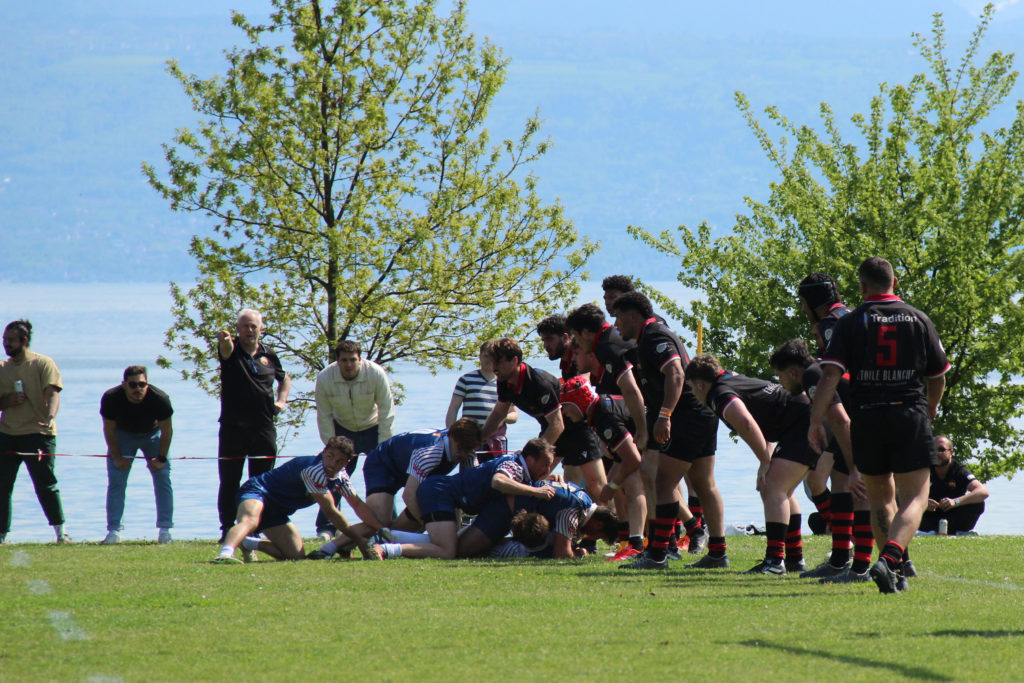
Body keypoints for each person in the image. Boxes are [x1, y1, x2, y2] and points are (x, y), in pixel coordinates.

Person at [809, 257, 950, 594]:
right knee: (916, 497)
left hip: (867, 417)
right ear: (895, 283)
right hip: (908, 413)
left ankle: (895, 574)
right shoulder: (918, 319)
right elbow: (938, 375)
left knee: (879, 500)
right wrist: (930, 407)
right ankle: (890, 559)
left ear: (862, 287)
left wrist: (815, 420)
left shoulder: (850, 322)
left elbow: (829, 375)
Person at [687, 353, 829, 575]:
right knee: (782, 489)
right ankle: (794, 559)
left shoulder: (719, 393)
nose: (694, 395)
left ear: (700, 384)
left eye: (692, 388)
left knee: (773, 487)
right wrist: (766, 458)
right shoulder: (730, 379)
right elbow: (767, 413)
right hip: (802, 419)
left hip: (803, 423)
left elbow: (746, 422)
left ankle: (774, 561)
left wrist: (764, 461)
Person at [613, 292, 718, 570]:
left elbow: (676, 372)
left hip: (687, 415)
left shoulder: (654, 336)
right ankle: (717, 553)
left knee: (663, 482)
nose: (616, 324)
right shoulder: (646, 338)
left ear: (633, 316)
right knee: (703, 484)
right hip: (700, 413)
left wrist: (664, 415)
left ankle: (659, 554)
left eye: (619, 317)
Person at [770, 339, 873, 583]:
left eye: (780, 377)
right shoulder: (819, 368)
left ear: (793, 372)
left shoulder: (812, 376)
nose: (781, 383)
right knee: (839, 487)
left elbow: (841, 420)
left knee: (860, 493)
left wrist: (854, 467)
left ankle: (863, 566)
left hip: (864, 426)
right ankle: (839, 561)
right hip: (856, 426)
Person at [374, 438, 557, 559]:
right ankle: (389, 548)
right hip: (440, 493)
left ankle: (391, 536)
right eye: (546, 465)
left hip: (445, 493)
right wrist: (536, 492)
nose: (548, 469)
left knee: (450, 543)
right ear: (530, 460)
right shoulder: (514, 466)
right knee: (447, 551)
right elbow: (498, 481)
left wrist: (548, 479)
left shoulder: (517, 463)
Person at [212, 436, 383, 563]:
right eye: (330, 456)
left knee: (295, 556)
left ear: (347, 463)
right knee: (250, 521)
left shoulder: (341, 477)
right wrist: (359, 540)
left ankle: (248, 543)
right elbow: (331, 512)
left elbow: (357, 503)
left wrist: (380, 529)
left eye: (339, 461)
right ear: (324, 452)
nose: (332, 464)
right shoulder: (314, 471)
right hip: (258, 491)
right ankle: (225, 554)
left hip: (277, 511)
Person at [215, 309, 290, 542]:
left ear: (260, 329)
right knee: (230, 481)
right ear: (238, 329)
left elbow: (284, 379)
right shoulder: (231, 350)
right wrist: (225, 340)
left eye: (253, 326)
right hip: (233, 430)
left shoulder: (269, 354)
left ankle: (256, 529)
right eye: (245, 326)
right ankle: (228, 528)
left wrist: (281, 401)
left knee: (261, 482)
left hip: (263, 428)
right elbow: (225, 350)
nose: (249, 330)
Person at [314, 339, 395, 539]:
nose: (349, 364)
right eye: (344, 360)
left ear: (360, 359)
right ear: (337, 361)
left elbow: (387, 410)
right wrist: (331, 447)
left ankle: (388, 525)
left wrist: (383, 444)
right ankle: (326, 528)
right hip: (343, 429)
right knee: (332, 474)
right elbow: (324, 415)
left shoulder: (376, 373)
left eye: (353, 360)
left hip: (373, 428)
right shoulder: (324, 378)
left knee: (382, 475)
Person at [558, 376, 647, 557]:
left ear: (578, 403)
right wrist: (611, 484)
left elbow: (633, 459)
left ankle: (637, 544)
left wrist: (612, 485)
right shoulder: (597, 412)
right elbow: (622, 458)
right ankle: (630, 541)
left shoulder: (604, 416)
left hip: (656, 437)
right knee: (621, 482)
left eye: (566, 406)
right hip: (645, 441)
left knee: (632, 483)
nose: (564, 412)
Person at [0, 320, 70, 544]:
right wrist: (8, 400)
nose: (6, 344)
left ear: (25, 341)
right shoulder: (3, 368)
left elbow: (52, 393)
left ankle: (61, 533)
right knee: (2, 486)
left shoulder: (42, 363)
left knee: (45, 484)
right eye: (4, 340)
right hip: (8, 434)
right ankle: (2, 535)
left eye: (11, 340)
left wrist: (50, 416)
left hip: (38, 433)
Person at [535, 315, 607, 504]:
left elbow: (583, 385)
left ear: (566, 337)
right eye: (543, 340)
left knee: (597, 487)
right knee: (571, 482)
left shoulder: (580, 358)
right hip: (572, 427)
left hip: (594, 426)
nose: (546, 345)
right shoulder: (566, 364)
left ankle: (615, 520)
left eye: (550, 339)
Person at [99, 365, 175, 544]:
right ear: (124, 385)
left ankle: (165, 531)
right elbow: (109, 430)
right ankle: (114, 532)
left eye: (142, 384)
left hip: (152, 435)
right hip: (123, 436)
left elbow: (167, 431)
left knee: (163, 477)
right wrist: (117, 457)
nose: (138, 389)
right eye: (133, 385)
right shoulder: (111, 398)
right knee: (117, 481)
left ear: (147, 384)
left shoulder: (160, 399)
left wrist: (161, 458)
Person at [481, 338, 564, 448]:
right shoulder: (504, 380)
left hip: (572, 427)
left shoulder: (539, 384)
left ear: (514, 361)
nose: (494, 368)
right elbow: (498, 414)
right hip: (548, 426)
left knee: (532, 456)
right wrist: (478, 440)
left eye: (499, 362)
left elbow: (557, 425)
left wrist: (535, 453)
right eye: (493, 362)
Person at [502, 482, 620, 558]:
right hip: (503, 513)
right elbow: (562, 554)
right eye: (599, 536)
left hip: (510, 511)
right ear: (598, 525)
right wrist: (579, 554)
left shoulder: (584, 499)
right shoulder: (573, 511)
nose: (593, 538)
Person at [445, 340, 517, 464]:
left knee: (496, 473)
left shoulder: (505, 383)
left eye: (493, 356)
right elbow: (453, 409)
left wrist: (501, 418)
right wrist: (451, 437)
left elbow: (514, 415)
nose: (489, 360)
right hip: (469, 439)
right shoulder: (466, 380)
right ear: (480, 357)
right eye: (485, 356)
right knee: (470, 473)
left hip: (497, 441)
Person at [920, 435, 988, 534]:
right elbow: (904, 492)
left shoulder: (958, 470)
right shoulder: (924, 469)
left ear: (951, 452)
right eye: (933, 450)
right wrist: (923, 503)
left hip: (953, 518)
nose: (936, 453)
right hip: (929, 517)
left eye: (941, 450)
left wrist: (955, 502)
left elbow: (983, 492)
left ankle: (956, 532)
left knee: (978, 503)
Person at [797, 272, 852, 355]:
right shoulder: (856, 312)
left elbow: (834, 362)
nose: (803, 309)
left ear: (814, 301)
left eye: (803, 302)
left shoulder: (830, 322)